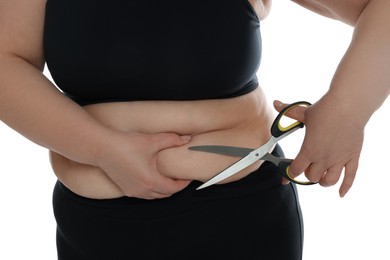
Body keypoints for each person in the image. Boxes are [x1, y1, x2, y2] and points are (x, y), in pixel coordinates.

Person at [0, 0, 388, 259]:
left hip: (244, 221)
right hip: (95, 232)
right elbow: (5, 61)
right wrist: (102, 149)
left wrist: (347, 111)